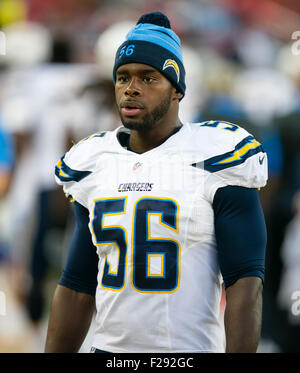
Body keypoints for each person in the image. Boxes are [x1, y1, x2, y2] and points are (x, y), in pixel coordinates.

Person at [45, 12, 268, 353]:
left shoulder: (217, 156)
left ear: (176, 90)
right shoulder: (94, 160)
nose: (131, 88)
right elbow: (77, 285)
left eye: (148, 78)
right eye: (123, 77)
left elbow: (245, 283)